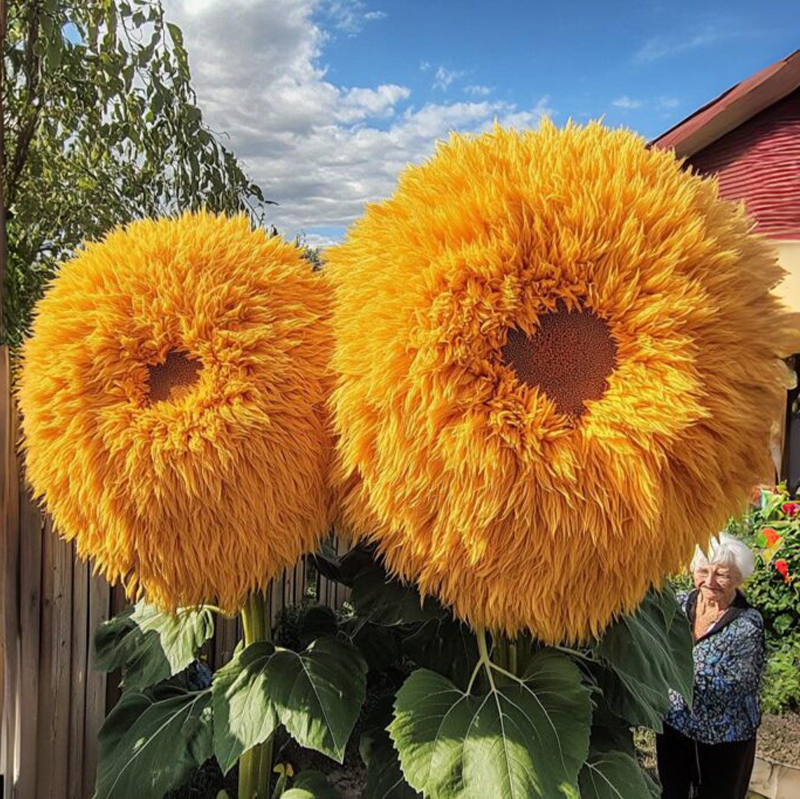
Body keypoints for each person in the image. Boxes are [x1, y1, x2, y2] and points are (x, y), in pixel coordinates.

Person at [657, 533, 765, 799]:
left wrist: (667, 673)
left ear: (738, 578)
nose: (709, 581)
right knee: (672, 792)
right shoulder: (679, 604)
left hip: (724, 737)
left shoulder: (747, 624)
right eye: (703, 570)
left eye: (722, 574)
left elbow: (739, 683)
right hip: (675, 725)